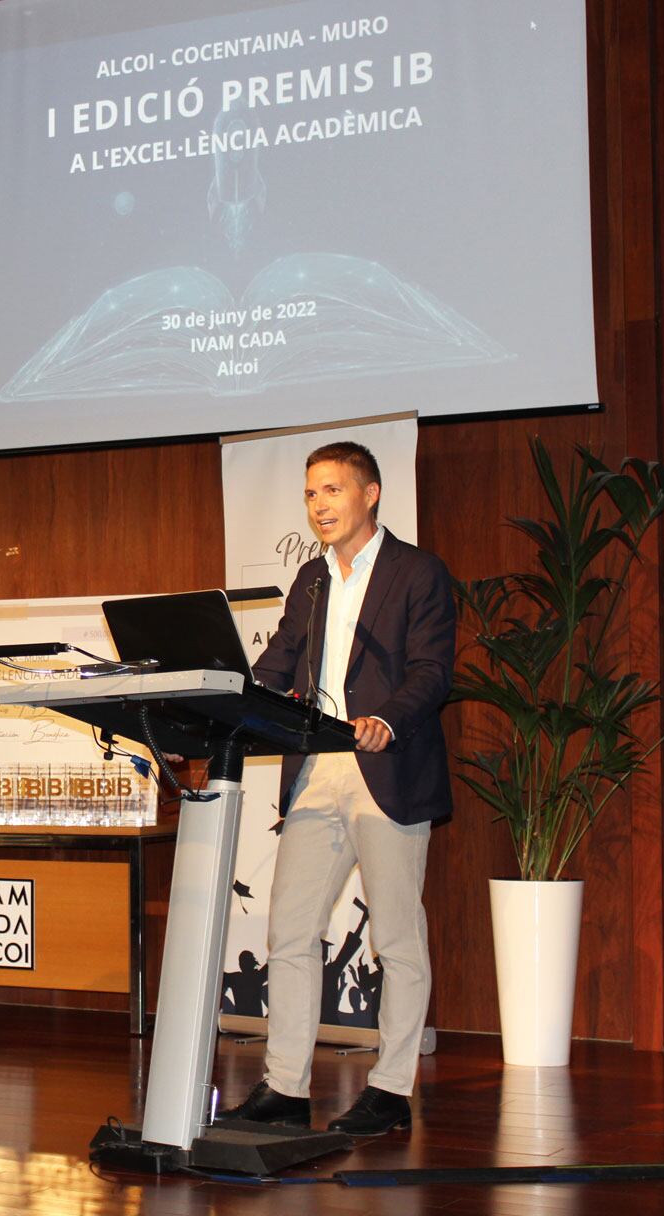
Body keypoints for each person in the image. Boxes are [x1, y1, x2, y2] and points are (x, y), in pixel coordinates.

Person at [222, 440, 455, 1137]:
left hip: (386, 768)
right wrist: (222, 696)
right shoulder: (311, 580)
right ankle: (286, 1088)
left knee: (397, 936)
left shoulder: (418, 572)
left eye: (331, 490)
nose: (319, 505)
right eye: (310, 494)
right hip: (316, 772)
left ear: (371, 493)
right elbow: (277, 663)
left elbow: (432, 670)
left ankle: (390, 1088)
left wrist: (388, 716)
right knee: (290, 931)